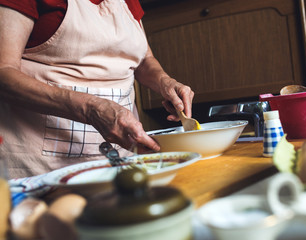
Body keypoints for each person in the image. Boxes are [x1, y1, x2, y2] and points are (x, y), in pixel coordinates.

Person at [0, 0, 194, 178]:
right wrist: (91, 108)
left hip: (122, 155)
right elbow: (3, 72)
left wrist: (164, 81)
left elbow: (145, 60)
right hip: (44, 166)